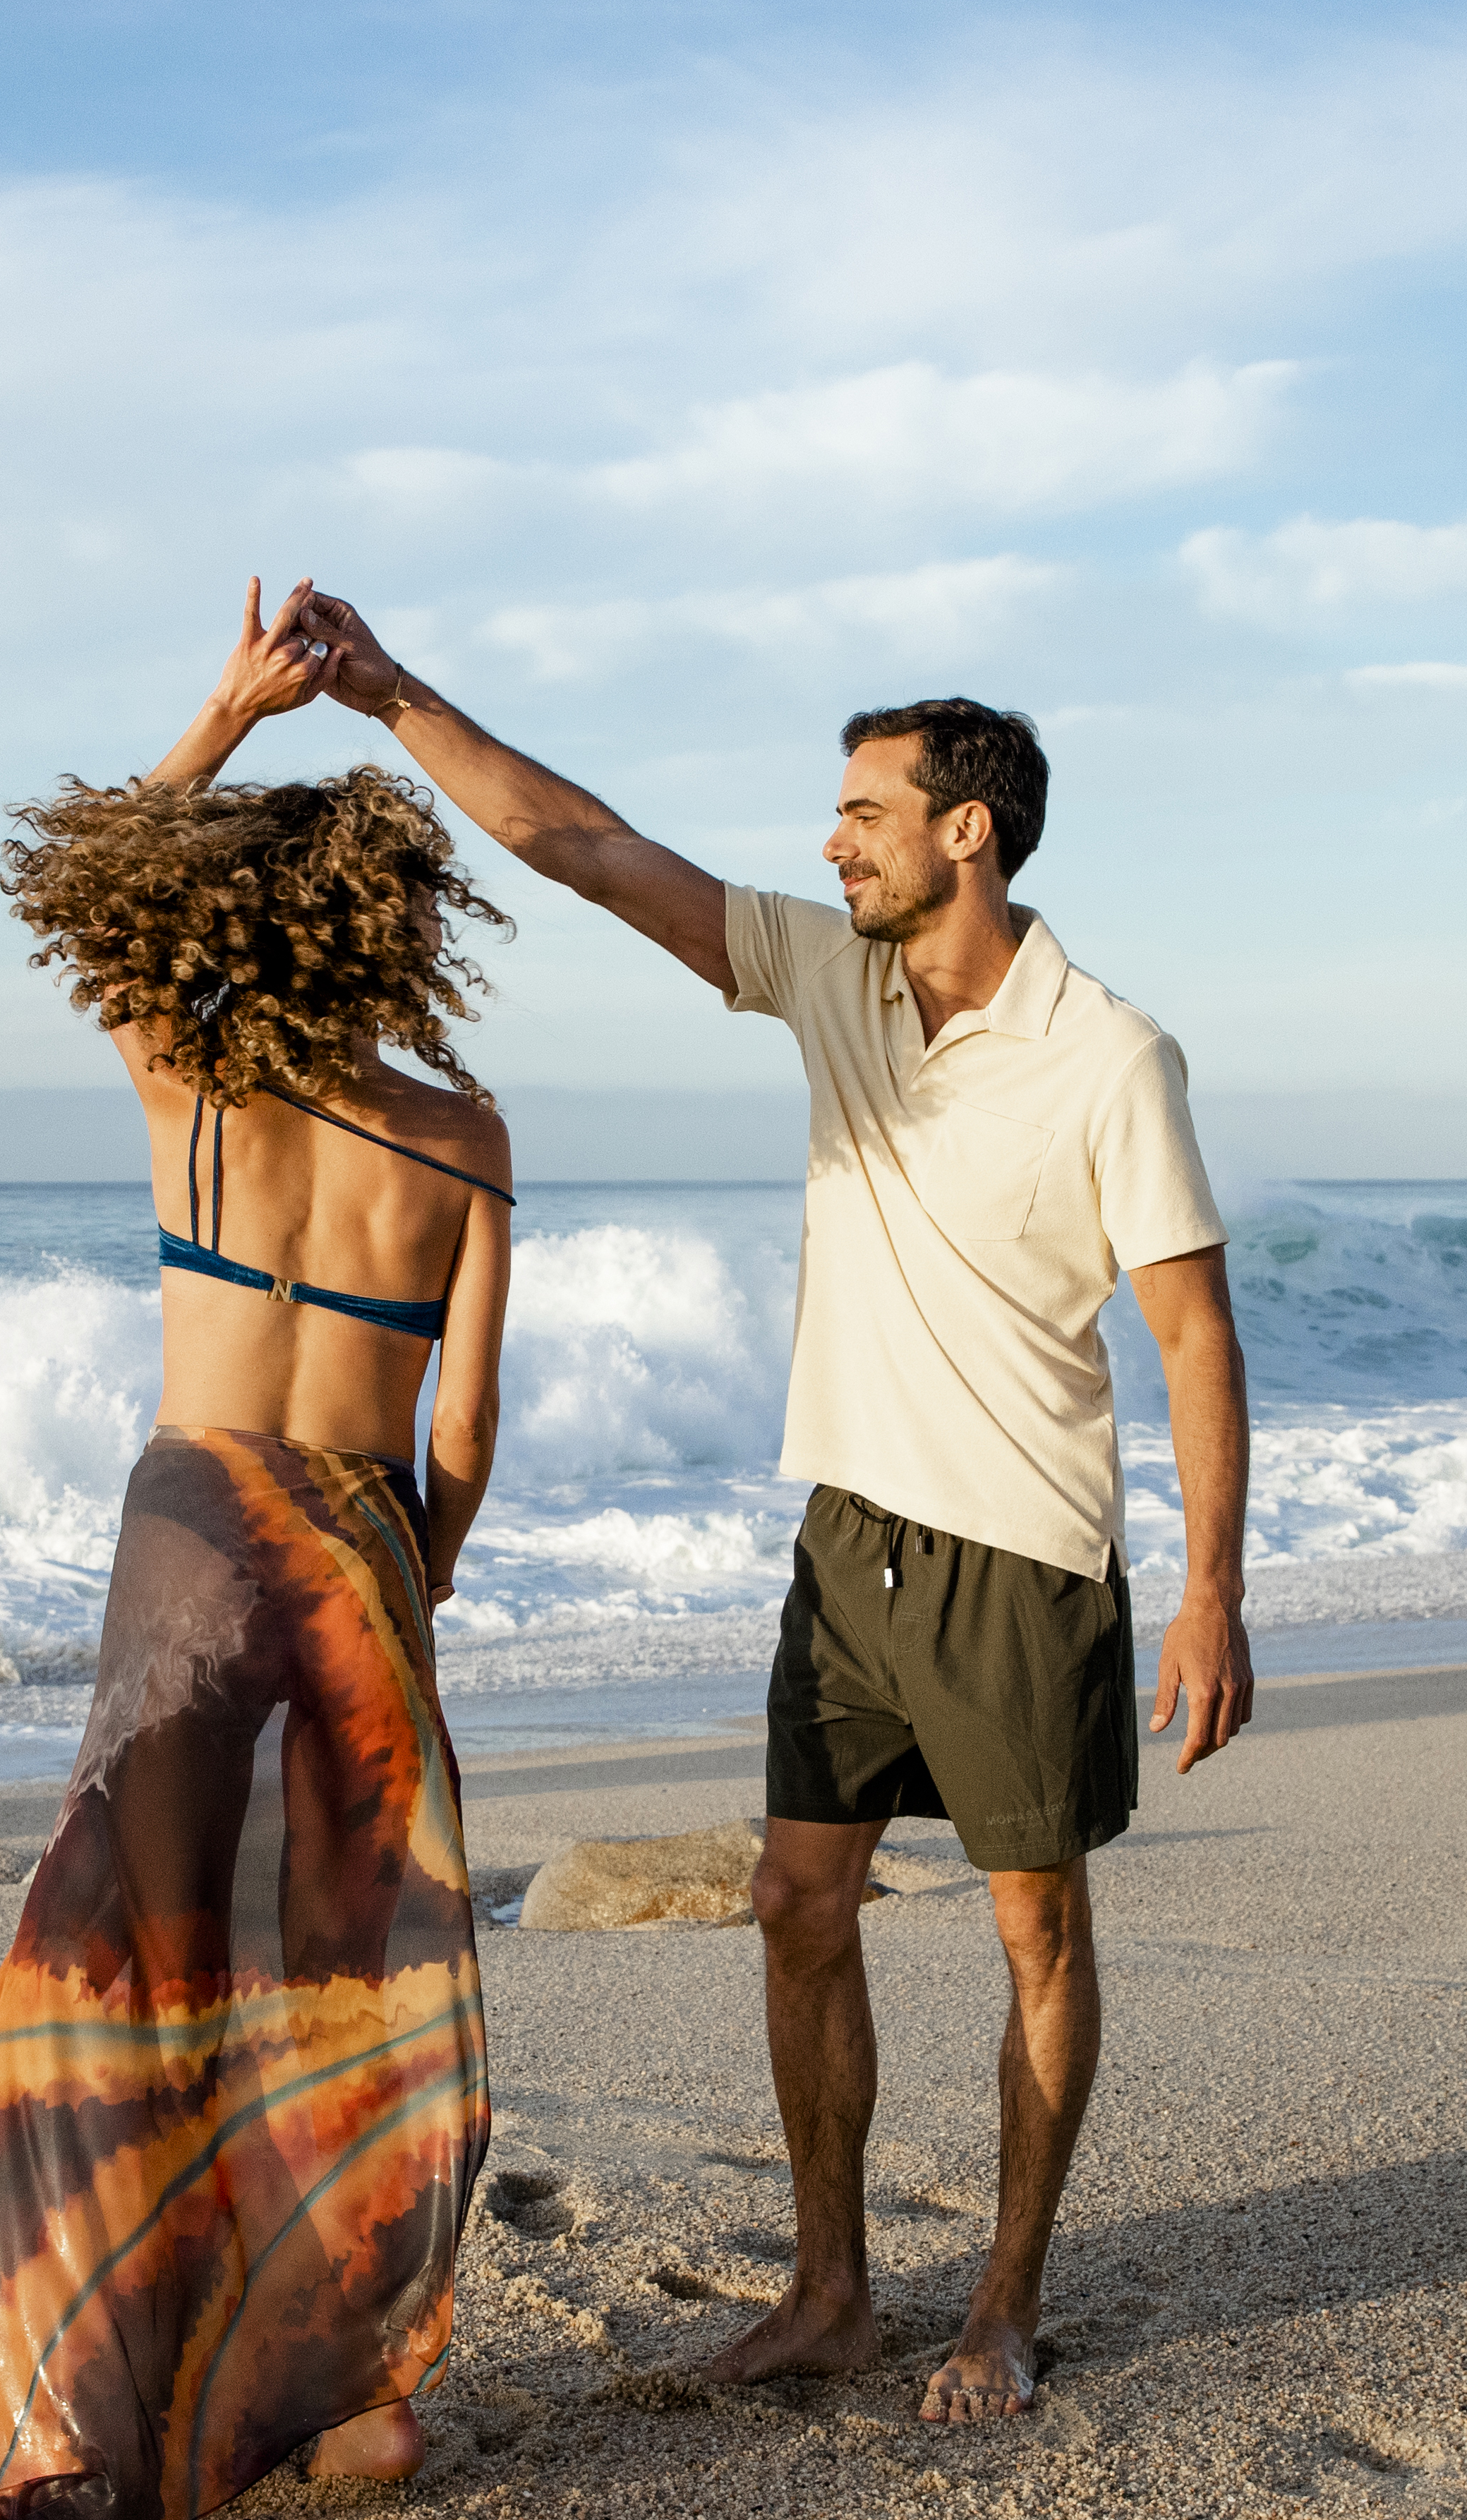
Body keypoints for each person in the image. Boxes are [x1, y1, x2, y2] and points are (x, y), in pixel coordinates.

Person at [296, 591, 1252, 2423]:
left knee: (1037, 1933)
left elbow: (1193, 1331)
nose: (830, 841)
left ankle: (1005, 2301)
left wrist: (1210, 1592)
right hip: (851, 1546)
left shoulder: (1109, 1056)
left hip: (1022, 1560)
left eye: (864, 813)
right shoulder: (829, 974)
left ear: (965, 829)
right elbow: (589, 853)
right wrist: (394, 691)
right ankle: (830, 2288)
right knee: (795, 1898)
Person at [0, 581, 515, 2520]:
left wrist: (224, 716)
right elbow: (472, 1428)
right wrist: (409, 1580)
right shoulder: (474, 1139)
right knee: (343, 1978)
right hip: (359, 1552)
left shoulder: (189, 1075)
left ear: (246, 919)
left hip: (187, 1542)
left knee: (120, 1977)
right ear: (407, 925)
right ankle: (346, 2393)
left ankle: (36, 2385)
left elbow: (87, 899)